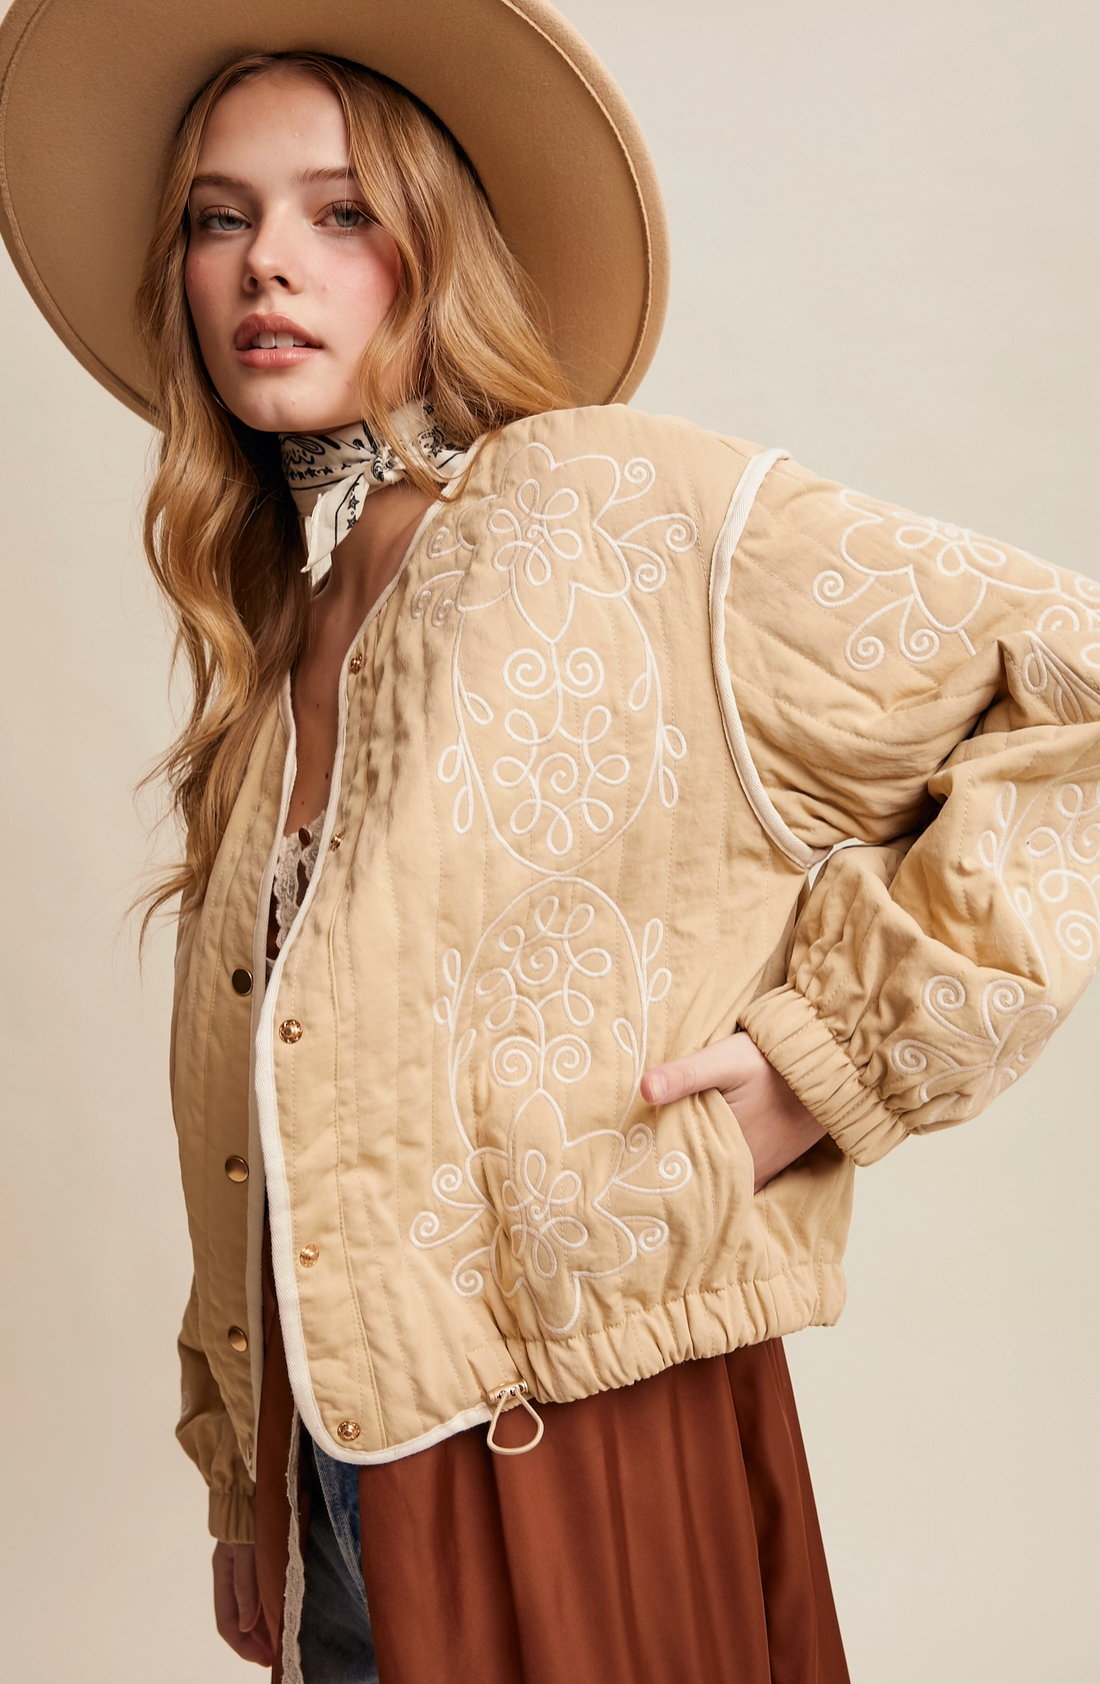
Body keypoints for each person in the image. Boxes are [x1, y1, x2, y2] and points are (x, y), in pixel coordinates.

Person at [1, 3, 1097, 1682]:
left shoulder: (606, 507)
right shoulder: (280, 636)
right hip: (330, 1467)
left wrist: (828, 1068)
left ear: (436, 246)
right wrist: (242, 1476)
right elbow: (271, 1114)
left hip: (585, 1438)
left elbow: (1078, 683)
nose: (266, 263)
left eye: (340, 210)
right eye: (221, 218)